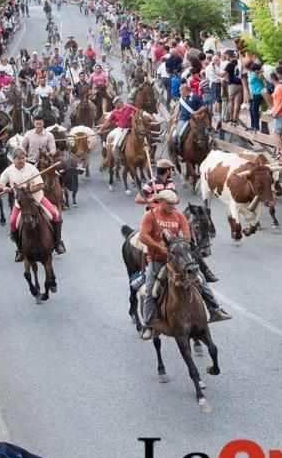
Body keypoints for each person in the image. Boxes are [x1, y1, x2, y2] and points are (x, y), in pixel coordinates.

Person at [137, 191, 231, 341]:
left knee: (200, 278)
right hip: (157, 258)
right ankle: (149, 323)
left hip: (177, 257)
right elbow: (143, 236)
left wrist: (174, 244)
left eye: (174, 203)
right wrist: (159, 246)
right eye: (169, 204)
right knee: (151, 289)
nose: (173, 206)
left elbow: (187, 237)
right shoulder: (150, 216)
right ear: (161, 202)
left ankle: (214, 308)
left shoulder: (179, 216)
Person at [0, 148, 65, 261]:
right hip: (21, 203)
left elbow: (40, 185)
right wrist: (5, 188)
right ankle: (20, 249)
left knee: (55, 214)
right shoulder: (8, 171)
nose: (22, 161)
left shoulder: (32, 169)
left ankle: (58, 242)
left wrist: (27, 191)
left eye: (23, 158)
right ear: (13, 160)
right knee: (13, 223)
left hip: (37, 199)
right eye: (19, 159)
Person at [99, 97, 139, 169]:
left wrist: (133, 115)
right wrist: (101, 129)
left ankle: (146, 153)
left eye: (115, 104)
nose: (114, 106)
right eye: (114, 104)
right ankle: (114, 158)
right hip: (120, 129)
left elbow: (138, 112)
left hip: (131, 128)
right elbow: (108, 122)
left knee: (142, 138)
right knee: (112, 140)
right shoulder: (114, 112)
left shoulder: (129, 107)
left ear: (120, 103)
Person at [174, 83, 207, 148]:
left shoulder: (195, 97)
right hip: (183, 119)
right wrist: (176, 117)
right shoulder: (182, 99)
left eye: (180, 91)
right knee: (177, 134)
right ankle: (178, 148)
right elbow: (180, 110)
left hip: (194, 119)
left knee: (204, 133)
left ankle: (207, 148)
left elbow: (204, 107)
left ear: (185, 90)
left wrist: (196, 112)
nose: (179, 92)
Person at [247, 63, 266, 132]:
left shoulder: (257, 74)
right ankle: (252, 125)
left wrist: (259, 71)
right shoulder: (251, 73)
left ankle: (256, 126)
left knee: (254, 109)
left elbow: (262, 72)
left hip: (257, 93)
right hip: (253, 94)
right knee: (251, 109)